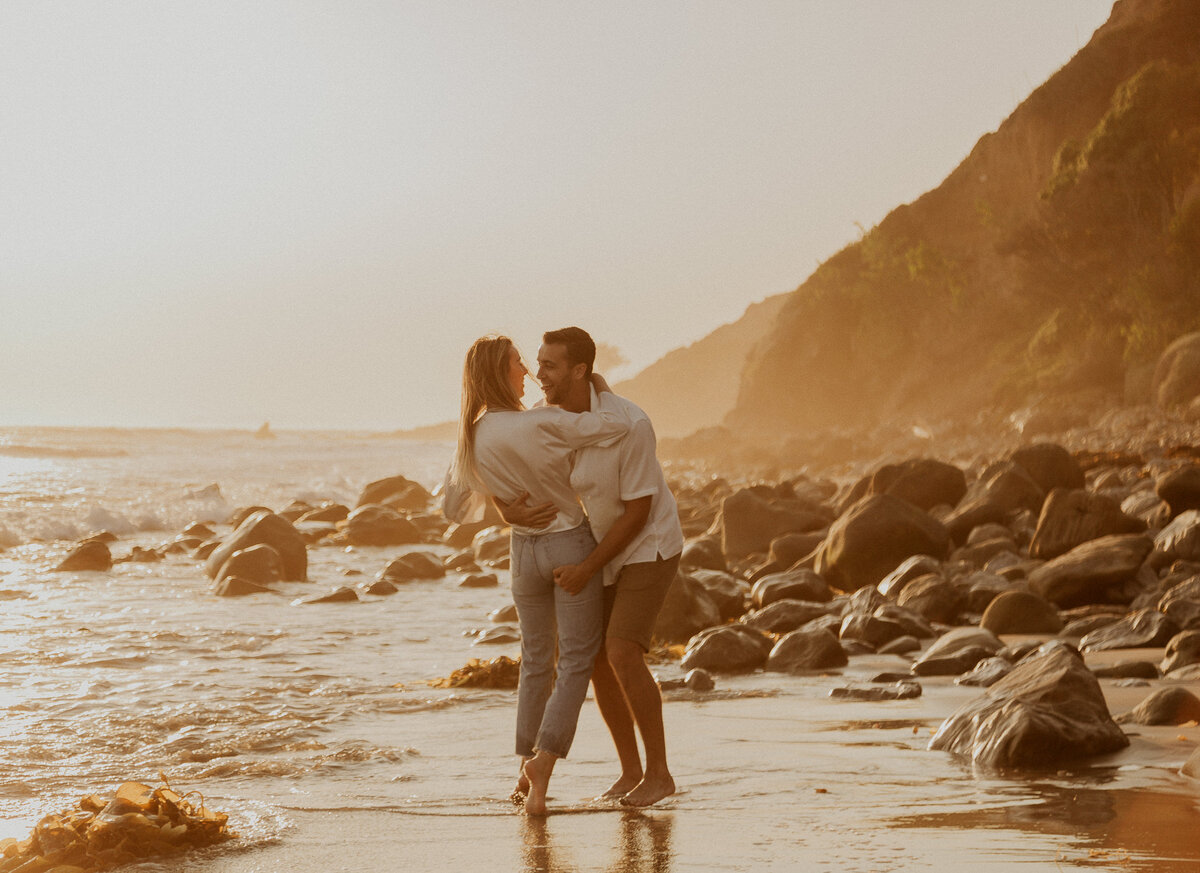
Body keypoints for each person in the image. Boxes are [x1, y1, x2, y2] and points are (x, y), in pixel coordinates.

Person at [499, 327, 683, 808]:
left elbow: (638, 512)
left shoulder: (629, 423)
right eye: (537, 364)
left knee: (622, 651)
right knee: (595, 659)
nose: (540, 375)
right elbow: (501, 467)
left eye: (551, 366)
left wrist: (584, 567)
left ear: (580, 370)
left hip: (648, 545)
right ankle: (631, 772)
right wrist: (507, 511)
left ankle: (660, 775)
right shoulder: (544, 420)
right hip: (597, 543)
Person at [446, 334, 630, 816]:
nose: (527, 371)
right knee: (575, 661)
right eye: (517, 363)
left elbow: (453, 508)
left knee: (534, 662)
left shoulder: (474, 433)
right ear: (498, 373)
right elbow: (614, 426)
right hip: (568, 541)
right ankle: (543, 768)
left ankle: (523, 774)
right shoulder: (545, 422)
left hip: (522, 554)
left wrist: (504, 507)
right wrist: (600, 385)